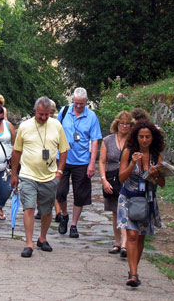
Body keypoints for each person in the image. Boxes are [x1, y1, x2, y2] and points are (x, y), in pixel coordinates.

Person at [11, 96, 69, 258]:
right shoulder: (25, 126)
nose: (44, 118)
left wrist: (60, 172)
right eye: (41, 114)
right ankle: (28, 242)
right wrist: (14, 174)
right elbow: (16, 151)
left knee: (46, 210)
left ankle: (42, 238)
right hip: (28, 175)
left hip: (50, 176)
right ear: (35, 111)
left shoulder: (57, 126)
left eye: (47, 114)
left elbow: (64, 150)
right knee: (29, 207)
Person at [117, 119, 165, 287]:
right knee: (131, 235)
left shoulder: (156, 157)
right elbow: (121, 177)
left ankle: (133, 269)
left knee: (140, 238)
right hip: (129, 198)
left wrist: (156, 174)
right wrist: (133, 164)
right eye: (141, 137)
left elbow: (162, 183)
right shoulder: (128, 152)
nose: (144, 140)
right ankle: (134, 274)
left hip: (147, 200)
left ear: (153, 138)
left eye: (148, 137)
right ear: (136, 137)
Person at [56, 87, 102, 238]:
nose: (78, 106)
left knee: (80, 194)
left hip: (82, 161)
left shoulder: (92, 117)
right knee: (60, 191)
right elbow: (55, 132)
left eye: (81, 104)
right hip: (63, 158)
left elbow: (94, 141)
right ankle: (64, 215)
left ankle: (74, 224)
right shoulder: (64, 112)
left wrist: (92, 163)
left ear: (86, 102)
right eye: (76, 103)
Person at [99, 111, 134, 256]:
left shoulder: (133, 141)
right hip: (112, 178)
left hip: (128, 178)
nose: (124, 126)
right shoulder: (107, 140)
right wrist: (103, 180)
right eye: (122, 123)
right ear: (117, 124)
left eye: (127, 124)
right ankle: (117, 242)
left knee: (125, 211)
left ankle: (125, 244)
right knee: (115, 212)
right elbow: (102, 161)